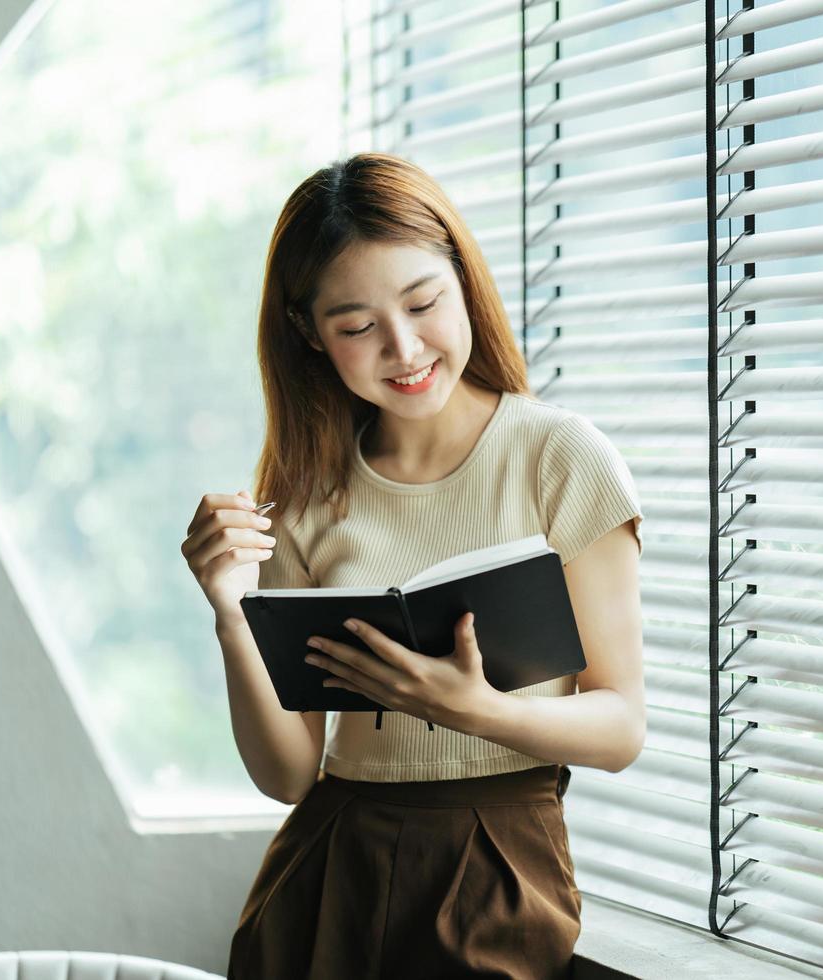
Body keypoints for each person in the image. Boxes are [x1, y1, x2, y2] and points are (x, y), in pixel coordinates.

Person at [179, 152, 646, 979]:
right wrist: (230, 614)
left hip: (498, 860)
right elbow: (289, 774)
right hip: (328, 867)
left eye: (424, 302)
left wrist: (474, 709)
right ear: (310, 335)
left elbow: (619, 728)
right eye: (356, 326)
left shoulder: (559, 458)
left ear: (463, 280)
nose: (403, 346)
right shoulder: (306, 496)